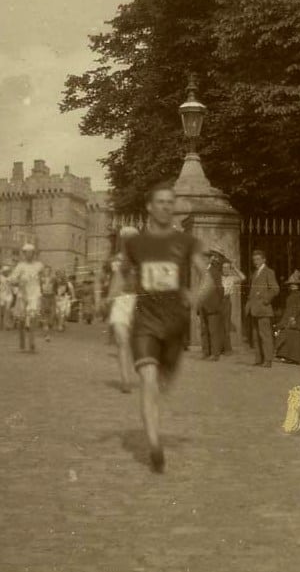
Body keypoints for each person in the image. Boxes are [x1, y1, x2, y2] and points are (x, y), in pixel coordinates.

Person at [122, 182, 210, 473]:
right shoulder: (135, 244)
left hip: (175, 324)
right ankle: (154, 445)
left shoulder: (186, 242)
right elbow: (122, 276)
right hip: (144, 323)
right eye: (160, 202)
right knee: (148, 381)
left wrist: (194, 298)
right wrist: (110, 297)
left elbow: (207, 279)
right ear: (149, 207)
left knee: (162, 383)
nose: (165, 206)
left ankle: (154, 424)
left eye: (170, 202)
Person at [107, 226, 138, 392]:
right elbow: (115, 281)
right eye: (125, 239)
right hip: (120, 302)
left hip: (138, 302)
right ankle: (125, 380)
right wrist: (109, 297)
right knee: (122, 341)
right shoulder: (117, 259)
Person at [245, 249, 279, 368]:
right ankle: (259, 359)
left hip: (263, 309)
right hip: (254, 309)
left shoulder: (269, 272)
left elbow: (275, 289)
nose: (256, 262)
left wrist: (265, 299)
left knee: (265, 335)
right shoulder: (255, 273)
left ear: (264, 260)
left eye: (258, 259)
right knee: (256, 336)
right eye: (254, 260)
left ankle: (268, 360)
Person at [10, 243, 44, 352]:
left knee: (33, 318)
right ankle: (22, 343)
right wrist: (19, 282)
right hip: (23, 295)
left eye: (31, 253)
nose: (29, 255)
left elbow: (43, 278)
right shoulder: (20, 266)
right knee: (21, 320)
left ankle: (32, 343)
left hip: (34, 294)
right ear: (24, 254)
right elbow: (12, 280)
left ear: (34, 254)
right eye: (26, 253)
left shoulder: (39, 265)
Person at [198, 250, 225, 361]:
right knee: (204, 330)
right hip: (203, 305)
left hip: (212, 305)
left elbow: (220, 289)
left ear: (210, 259)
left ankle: (215, 354)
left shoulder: (215, 271)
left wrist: (217, 303)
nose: (203, 261)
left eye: (205, 259)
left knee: (213, 330)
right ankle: (206, 352)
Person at [274, 271, 300, 364]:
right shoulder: (291, 294)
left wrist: (293, 317)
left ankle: (295, 358)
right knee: (287, 334)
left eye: (295, 284)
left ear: (298, 285)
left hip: (295, 317)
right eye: (291, 284)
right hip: (289, 315)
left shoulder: (299, 294)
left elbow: (299, 307)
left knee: (293, 335)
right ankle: (286, 355)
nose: (293, 286)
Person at [220, 259, 246, 355]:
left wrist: (235, 268)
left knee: (226, 325)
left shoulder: (232, 278)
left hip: (226, 301)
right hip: (218, 301)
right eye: (223, 267)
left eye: (227, 267)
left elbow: (243, 277)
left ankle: (227, 349)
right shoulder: (218, 277)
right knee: (218, 324)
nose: (225, 269)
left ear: (230, 269)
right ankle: (219, 348)